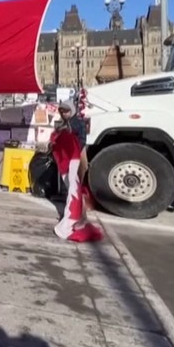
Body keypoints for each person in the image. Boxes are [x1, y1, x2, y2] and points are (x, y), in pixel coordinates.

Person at [51, 102, 101, 242]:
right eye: (61, 111)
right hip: (72, 158)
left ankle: (80, 219)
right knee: (74, 190)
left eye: (66, 111)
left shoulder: (77, 123)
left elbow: (80, 141)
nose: (64, 113)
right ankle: (79, 217)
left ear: (71, 111)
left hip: (77, 157)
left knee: (76, 190)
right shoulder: (65, 123)